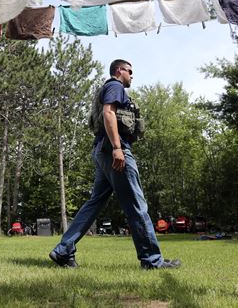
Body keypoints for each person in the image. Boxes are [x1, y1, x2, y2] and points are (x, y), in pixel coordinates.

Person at [49, 59, 181, 269]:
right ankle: (152, 261)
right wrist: (118, 148)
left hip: (102, 151)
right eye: (130, 71)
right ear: (119, 70)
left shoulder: (108, 87)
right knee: (137, 205)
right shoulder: (115, 86)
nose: (132, 75)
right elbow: (109, 113)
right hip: (113, 151)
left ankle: (63, 250)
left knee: (94, 204)